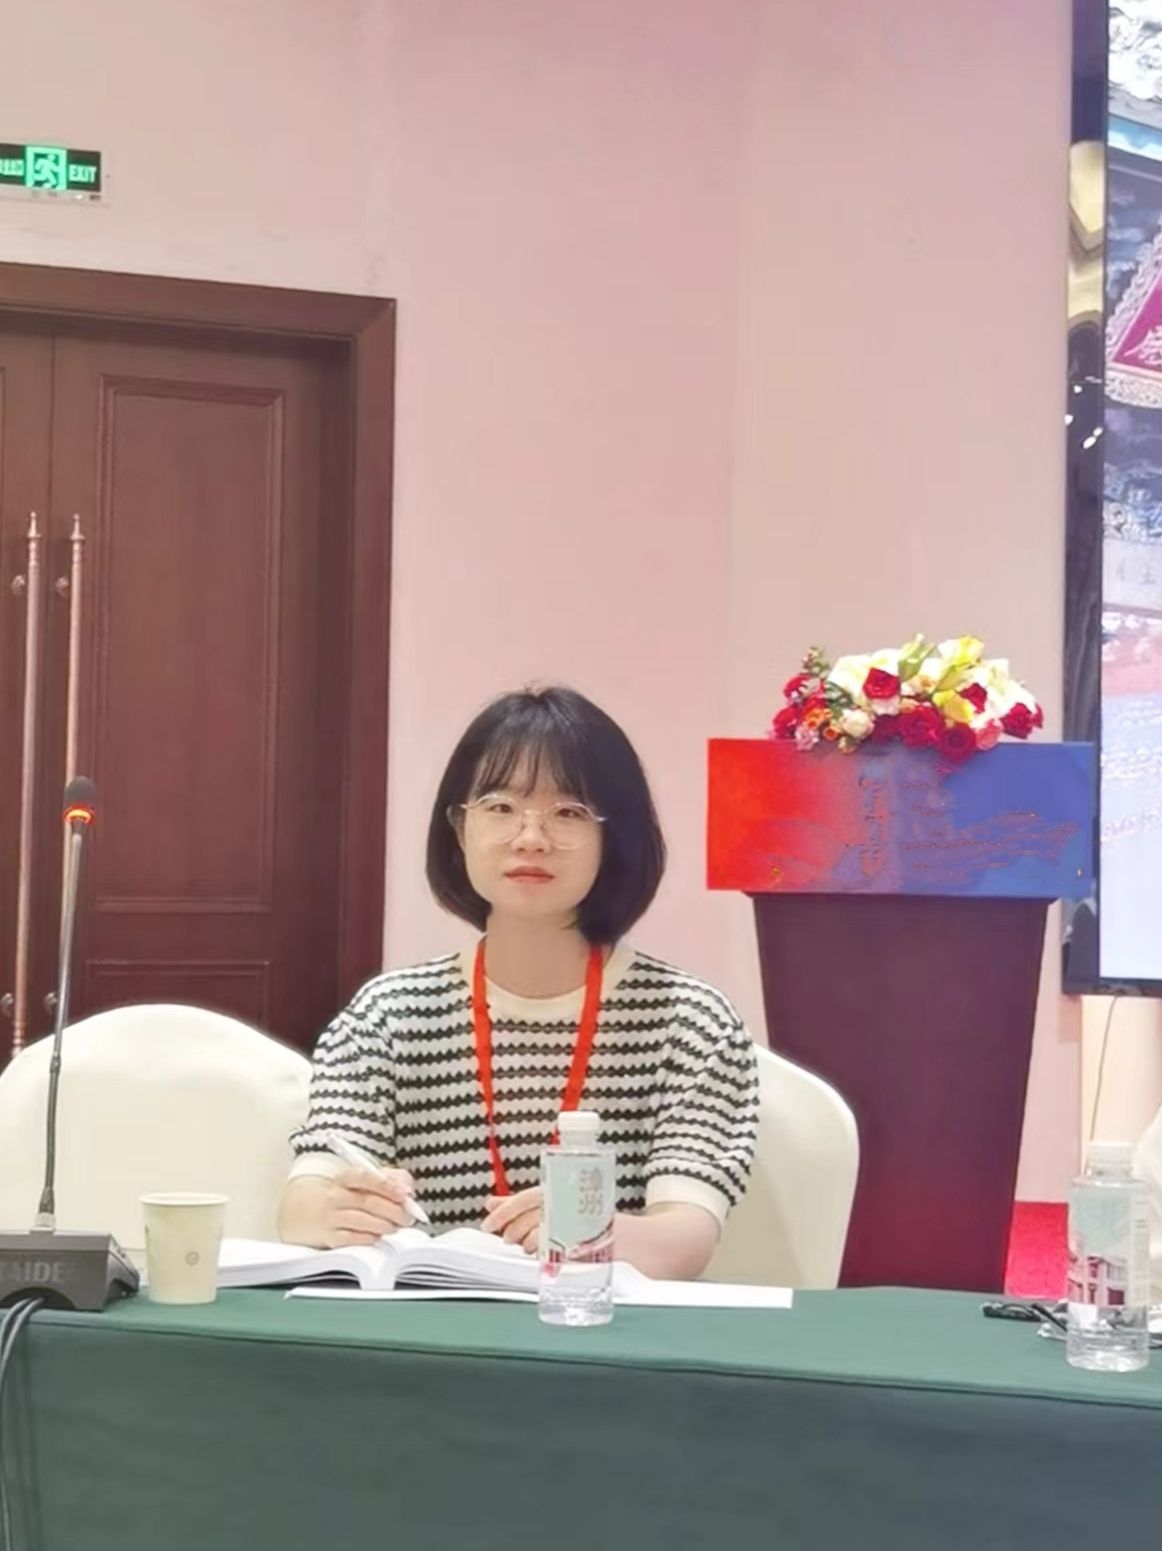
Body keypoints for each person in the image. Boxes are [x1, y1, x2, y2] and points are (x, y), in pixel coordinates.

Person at [278, 685, 759, 1280]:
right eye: (500, 807)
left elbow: (683, 1243)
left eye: (569, 812)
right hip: (430, 1326)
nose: (531, 838)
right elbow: (301, 1207)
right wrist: (338, 1210)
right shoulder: (388, 1015)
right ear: (459, 828)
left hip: (599, 1325)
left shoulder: (688, 1023)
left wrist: (585, 1227)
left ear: (615, 839)